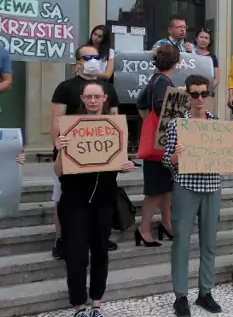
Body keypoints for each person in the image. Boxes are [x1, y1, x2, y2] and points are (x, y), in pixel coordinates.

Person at [53, 81, 135, 317]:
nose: (92, 101)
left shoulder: (114, 127)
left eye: (97, 97)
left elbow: (117, 163)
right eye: (88, 97)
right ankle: (79, 305)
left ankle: (96, 302)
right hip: (75, 201)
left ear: (104, 99)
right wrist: (61, 150)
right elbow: (58, 172)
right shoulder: (70, 127)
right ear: (82, 98)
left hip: (104, 200)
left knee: (101, 251)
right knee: (76, 253)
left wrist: (126, 165)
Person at [163, 75, 233, 316]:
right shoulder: (177, 124)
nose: (199, 99)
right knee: (181, 244)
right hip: (185, 187)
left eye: (204, 94)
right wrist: (177, 154)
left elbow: (227, 157)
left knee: (209, 243)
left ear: (208, 96)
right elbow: (168, 160)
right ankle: (180, 296)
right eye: (195, 94)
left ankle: (205, 292)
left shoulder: (218, 123)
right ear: (187, 96)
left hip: (211, 187)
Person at [50, 44, 121, 259]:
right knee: (62, 197)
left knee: (100, 198)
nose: (92, 59)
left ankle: (99, 236)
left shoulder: (107, 89)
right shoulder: (65, 87)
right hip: (71, 154)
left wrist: (119, 154)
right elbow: (56, 120)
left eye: (96, 56)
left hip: (101, 156)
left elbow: (115, 121)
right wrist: (58, 150)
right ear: (78, 61)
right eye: (87, 56)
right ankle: (61, 237)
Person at [135, 44, 180, 247]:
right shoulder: (164, 81)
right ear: (176, 63)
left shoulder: (155, 79)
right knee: (154, 189)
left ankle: (166, 223)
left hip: (160, 142)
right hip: (161, 144)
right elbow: (163, 106)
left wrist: (146, 120)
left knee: (166, 187)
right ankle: (144, 228)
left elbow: (140, 101)